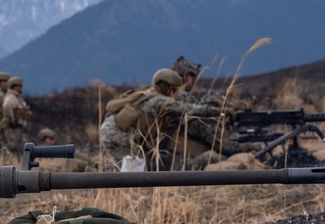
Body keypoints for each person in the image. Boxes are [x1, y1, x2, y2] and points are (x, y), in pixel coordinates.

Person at [98, 69, 237, 170]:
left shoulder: (146, 93)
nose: (176, 94)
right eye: (175, 90)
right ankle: (96, 171)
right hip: (118, 137)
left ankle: (98, 168)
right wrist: (221, 112)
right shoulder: (159, 101)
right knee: (135, 171)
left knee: (128, 165)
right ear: (169, 88)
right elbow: (191, 110)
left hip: (111, 132)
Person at [0, 76, 31, 157]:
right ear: (15, 86)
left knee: (20, 146)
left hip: (18, 127)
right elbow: (7, 108)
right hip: (12, 128)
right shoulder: (11, 97)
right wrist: (13, 122)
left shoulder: (17, 97)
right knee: (13, 147)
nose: (21, 88)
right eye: (20, 86)